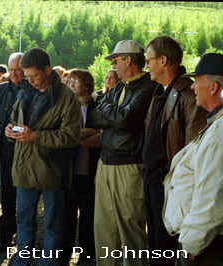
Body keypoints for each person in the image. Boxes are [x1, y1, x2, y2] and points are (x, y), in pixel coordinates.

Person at [5, 48, 81, 265]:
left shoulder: (67, 97)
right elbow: (14, 119)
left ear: (47, 70)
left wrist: (36, 136)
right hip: (24, 170)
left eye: (34, 76)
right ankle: (22, 262)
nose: (30, 81)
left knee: (53, 227)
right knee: (24, 222)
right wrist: (10, 131)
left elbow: (71, 136)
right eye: (27, 76)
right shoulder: (25, 91)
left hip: (52, 172)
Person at [142, 35, 208, 266]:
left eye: (148, 60)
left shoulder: (188, 94)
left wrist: (173, 183)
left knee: (166, 250)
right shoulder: (160, 91)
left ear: (163, 60)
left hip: (171, 186)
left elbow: (193, 151)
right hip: (153, 181)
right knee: (155, 247)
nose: (145, 65)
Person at [91, 40, 157, 266]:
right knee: (103, 226)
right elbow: (94, 116)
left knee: (130, 230)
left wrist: (109, 110)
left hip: (129, 165)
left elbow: (125, 118)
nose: (114, 66)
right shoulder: (120, 86)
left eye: (116, 61)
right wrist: (114, 114)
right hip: (105, 161)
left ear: (128, 60)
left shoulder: (148, 86)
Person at [163, 53, 223, 265]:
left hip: (206, 245)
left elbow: (211, 196)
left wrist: (192, 244)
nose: (192, 87)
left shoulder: (219, 132)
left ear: (213, 87)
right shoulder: (216, 124)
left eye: (196, 81)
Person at [59, 69, 101, 265]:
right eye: (70, 81)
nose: (72, 84)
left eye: (76, 81)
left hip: (92, 170)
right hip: (70, 170)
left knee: (89, 216)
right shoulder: (65, 105)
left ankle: (87, 255)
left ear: (87, 84)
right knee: (66, 217)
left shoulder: (99, 105)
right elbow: (62, 136)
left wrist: (76, 138)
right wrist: (87, 133)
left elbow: (104, 137)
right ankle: (63, 255)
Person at [0, 52, 30, 252]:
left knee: (25, 198)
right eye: (11, 69)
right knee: (6, 196)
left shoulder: (33, 90)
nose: (14, 74)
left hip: (27, 154)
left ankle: (25, 240)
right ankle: (5, 236)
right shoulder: (2, 89)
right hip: (4, 153)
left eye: (18, 70)